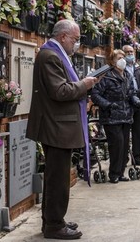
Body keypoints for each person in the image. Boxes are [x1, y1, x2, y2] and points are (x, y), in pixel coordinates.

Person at [27, 20, 98, 240]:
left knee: (55, 176)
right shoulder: (50, 56)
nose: (76, 44)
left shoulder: (55, 55)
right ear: (63, 37)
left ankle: (52, 220)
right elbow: (60, 91)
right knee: (58, 179)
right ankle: (54, 225)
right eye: (75, 40)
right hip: (55, 126)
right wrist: (85, 85)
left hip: (58, 125)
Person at [90, 49, 140, 183]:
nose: (122, 59)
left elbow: (131, 93)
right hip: (111, 116)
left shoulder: (127, 76)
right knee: (117, 144)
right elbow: (95, 94)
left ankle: (121, 172)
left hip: (126, 115)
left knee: (124, 146)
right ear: (113, 61)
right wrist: (107, 104)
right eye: (119, 57)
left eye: (123, 56)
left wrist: (135, 100)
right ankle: (114, 173)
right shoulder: (106, 77)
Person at [122, 44, 140, 166]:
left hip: (139, 101)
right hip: (126, 102)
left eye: (131, 52)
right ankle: (123, 158)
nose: (130, 54)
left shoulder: (139, 67)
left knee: (138, 131)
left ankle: (137, 156)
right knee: (125, 131)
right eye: (127, 52)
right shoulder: (121, 68)